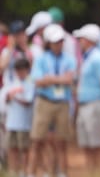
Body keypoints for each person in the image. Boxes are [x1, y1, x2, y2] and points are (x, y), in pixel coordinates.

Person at [27, 23, 77, 177]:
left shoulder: (69, 58)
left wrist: (50, 79)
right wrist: (58, 79)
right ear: (48, 43)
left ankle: (61, 173)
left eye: (61, 41)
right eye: (56, 42)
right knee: (37, 140)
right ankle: (31, 173)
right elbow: (37, 80)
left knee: (61, 141)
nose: (59, 44)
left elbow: (69, 79)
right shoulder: (42, 59)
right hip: (45, 102)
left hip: (62, 103)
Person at [73, 23, 100, 171]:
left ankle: (99, 173)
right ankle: (90, 172)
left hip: (95, 104)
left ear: (88, 40)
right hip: (84, 105)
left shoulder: (98, 58)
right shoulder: (88, 57)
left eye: (81, 39)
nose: (79, 42)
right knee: (86, 144)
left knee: (97, 144)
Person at [2, 58, 34, 177]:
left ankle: (24, 172)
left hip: (24, 123)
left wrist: (14, 97)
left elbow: (28, 102)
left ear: (27, 70)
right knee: (12, 148)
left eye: (22, 70)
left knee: (24, 149)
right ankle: (13, 172)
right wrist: (9, 97)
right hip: (11, 122)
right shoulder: (12, 83)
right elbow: (6, 99)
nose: (20, 73)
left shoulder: (30, 83)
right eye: (18, 70)